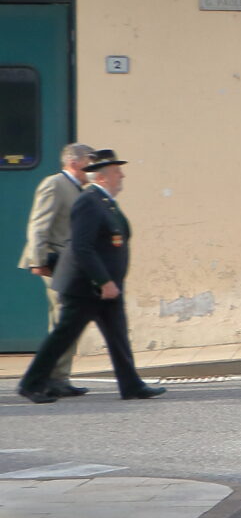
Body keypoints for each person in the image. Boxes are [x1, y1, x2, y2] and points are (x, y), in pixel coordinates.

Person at [17, 149, 164, 403]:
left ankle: (131, 385)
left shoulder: (105, 201)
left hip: (105, 287)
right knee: (63, 335)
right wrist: (103, 281)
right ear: (104, 177)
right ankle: (31, 383)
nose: (122, 176)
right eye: (118, 172)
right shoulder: (89, 201)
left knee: (117, 336)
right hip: (86, 287)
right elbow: (82, 247)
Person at [17, 143, 93, 398]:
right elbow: (39, 224)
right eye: (89, 161)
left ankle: (60, 377)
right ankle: (48, 378)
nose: (93, 168)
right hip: (53, 262)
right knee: (63, 319)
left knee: (67, 320)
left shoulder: (78, 189)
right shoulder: (54, 184)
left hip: (69, 263)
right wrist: (38, 260)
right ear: (75, 162)